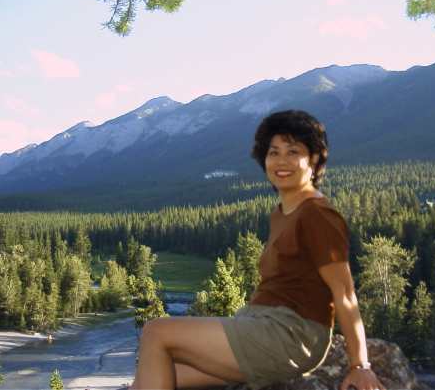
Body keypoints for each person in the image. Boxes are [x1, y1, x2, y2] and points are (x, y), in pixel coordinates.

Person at [130, 110, 385, 390]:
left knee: (156, 332)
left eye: (293, 151)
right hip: (260, 325)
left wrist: (360, 365)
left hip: (290, 335)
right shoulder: (283, 212)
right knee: (158, 375)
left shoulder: (318, 215)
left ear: (313, 159)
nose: (281, 161)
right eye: (273, 152)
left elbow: (345, 295)